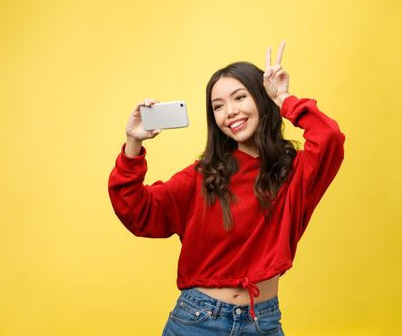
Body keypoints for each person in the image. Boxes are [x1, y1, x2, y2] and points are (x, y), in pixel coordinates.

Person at [108, 42, 345, 335]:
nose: (229, 112)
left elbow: (329, 137)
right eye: (218, 106)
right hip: (199, 321)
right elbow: (137, 213)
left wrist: (282, 97)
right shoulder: (203, 177)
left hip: (264, 322)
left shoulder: (295, 173)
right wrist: (133, 143)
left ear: (262, 99)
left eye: (240, 97)